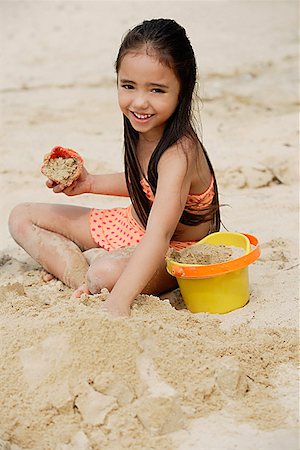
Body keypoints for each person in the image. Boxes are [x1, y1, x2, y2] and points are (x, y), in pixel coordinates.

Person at [9, 18, 220, 317]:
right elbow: (148, 184)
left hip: (173, 249)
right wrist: (90, 183)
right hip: (133, 224)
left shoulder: (179, 152)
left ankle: (87, 274)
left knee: (106, 273)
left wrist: (118, 301)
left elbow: (159, 236)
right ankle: (84, 276)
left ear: (183, 89)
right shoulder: (144, 127)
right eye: (128, 86)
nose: (139, 102)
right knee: (22, 217)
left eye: (157, 90)